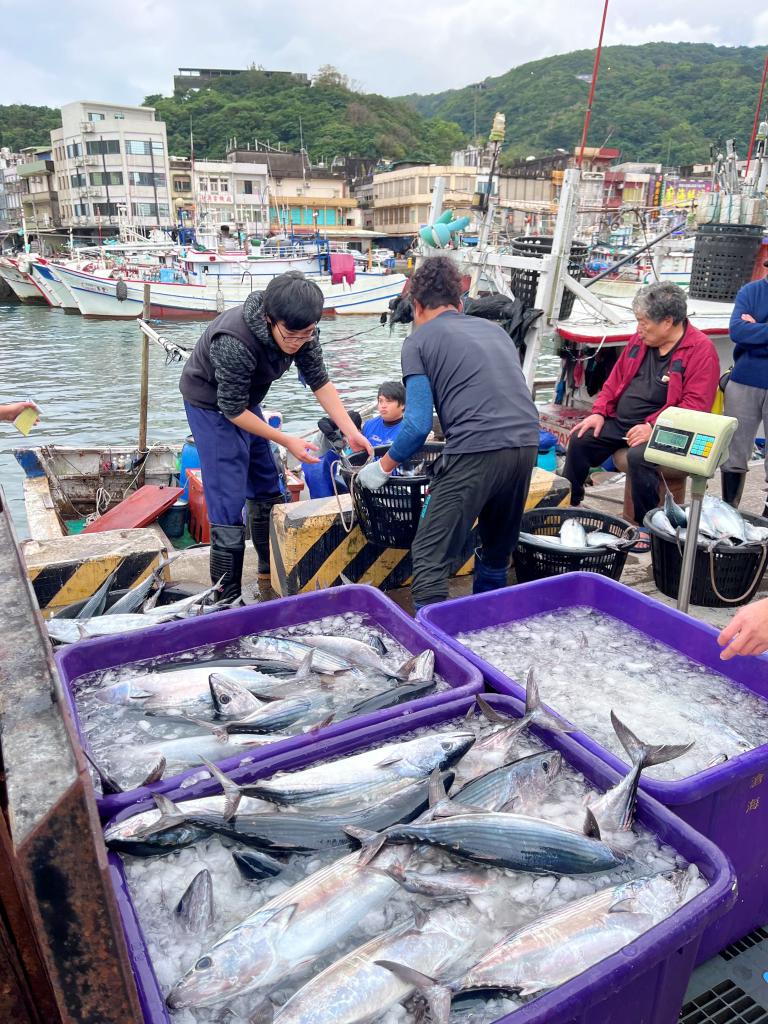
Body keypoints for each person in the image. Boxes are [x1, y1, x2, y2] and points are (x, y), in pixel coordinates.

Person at [357, 255, 540, 608]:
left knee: (428, 558)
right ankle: (487, 631)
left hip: (475, 448)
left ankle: (438, 656)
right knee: (495, 553)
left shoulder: (418, 342)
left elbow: (417, 425)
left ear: (417, 305)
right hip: (525, 444)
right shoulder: (497, 331)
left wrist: (382, 468)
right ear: (459, 303)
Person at [179, 271, 372, 601]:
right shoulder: (233, 341)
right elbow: (232, 410)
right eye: (291, 335)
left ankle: (269, 569)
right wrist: (287, 440)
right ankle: (224, 599)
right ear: (269, 319)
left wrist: (351, 431)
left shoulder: (305, 332)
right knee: (227, 498)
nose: (298, 342)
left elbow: (320, 381)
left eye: (306, 334)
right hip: (212, 404)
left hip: (247, 401)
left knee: (268, 482)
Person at [562, 282, 720, 551]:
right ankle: (571, 503)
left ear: (667, 322)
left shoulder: (701, 351)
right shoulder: (641, 340)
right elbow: (614, 381)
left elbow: (695, 406)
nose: (638, 328)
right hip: (623, 423)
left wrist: (653, 427)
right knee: (581, 439)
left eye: (644, 322)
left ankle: (646, 526)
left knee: (640, 457)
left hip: (673, 432)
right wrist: (599, 412)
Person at [720, 264, 768, 512]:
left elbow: (747, 333)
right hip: (743, 379)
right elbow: (737, 331)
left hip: (750, 369)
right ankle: (729, 508)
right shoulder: (750, 292)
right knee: (734, 449)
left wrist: (756, 329)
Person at [305, 382, 405, 499]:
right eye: (380, 401)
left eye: (388, 401)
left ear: (402, 404)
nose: (383, 406)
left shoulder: (409, 430)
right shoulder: (369, 425)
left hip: (396, 484)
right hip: (367, 481)